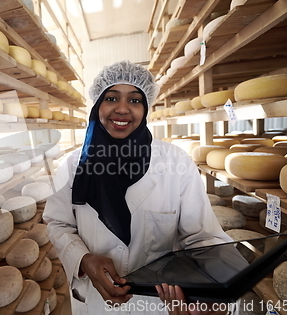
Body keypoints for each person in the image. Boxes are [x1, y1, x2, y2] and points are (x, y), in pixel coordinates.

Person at [42, 60, 233, 315]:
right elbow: (58, 223)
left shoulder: (175, 162)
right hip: (97, 303)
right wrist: (84, 260)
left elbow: (203, 237)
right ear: (98, 104)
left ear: (146, 108)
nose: (122, 109)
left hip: (157, 305)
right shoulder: (72, 165)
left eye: (134, 100)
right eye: (111, 98)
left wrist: (213, 291)